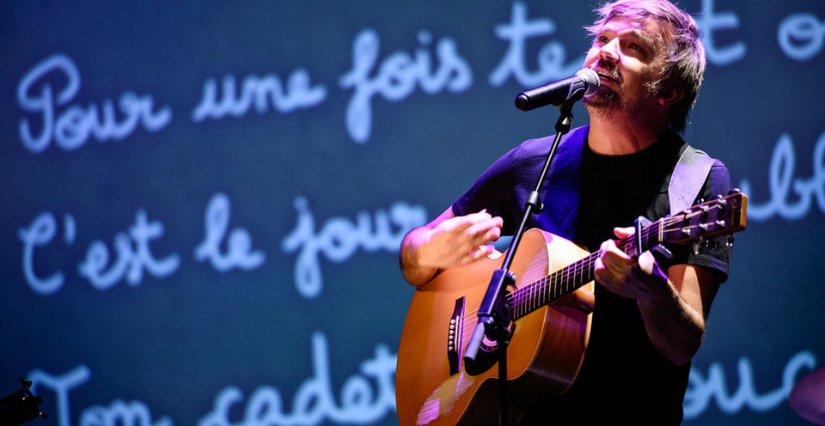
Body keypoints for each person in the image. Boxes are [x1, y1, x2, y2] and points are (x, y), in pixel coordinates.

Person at [399, 0, 733, 423]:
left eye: (634, 48)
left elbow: (682, 344)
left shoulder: (697, 180)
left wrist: (651, 290)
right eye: (603, 39)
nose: (606, 52)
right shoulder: (531, 162)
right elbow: (413, 259)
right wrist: (428, 250)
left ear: (669, 91)